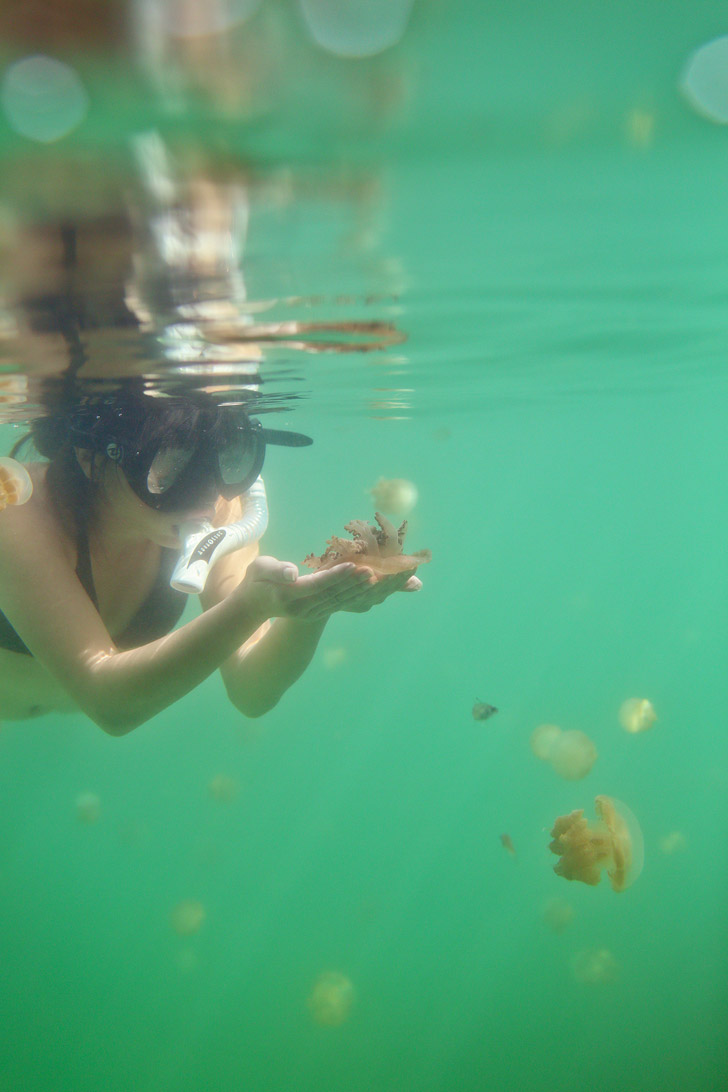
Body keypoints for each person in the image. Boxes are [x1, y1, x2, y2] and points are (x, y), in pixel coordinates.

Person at [0, 383, 422, 734]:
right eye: (168, 465)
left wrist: (312, 608)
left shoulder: (219, 508)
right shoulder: (17, 516)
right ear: (92, 456)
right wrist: (252, 605)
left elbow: (251, 690)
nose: (205, 496)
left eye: (227, 458)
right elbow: (111, 705)